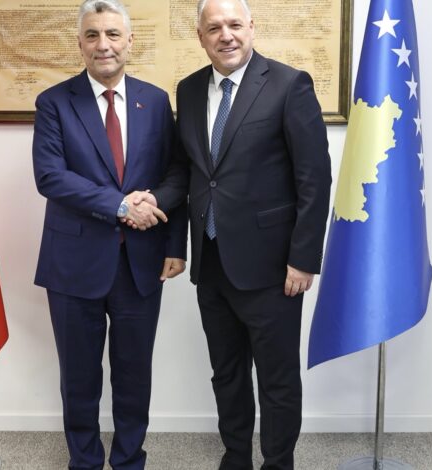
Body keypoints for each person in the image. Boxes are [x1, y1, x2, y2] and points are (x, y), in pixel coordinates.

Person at [133, 0, 332, 468]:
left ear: (252, 28)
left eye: (235, 25)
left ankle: (278, 462)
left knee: (277, 378)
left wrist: (303, 259)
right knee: (226, 372)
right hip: (212, 262)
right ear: (200, 36)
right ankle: (236, 456)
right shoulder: (189, 89)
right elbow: (186, 171)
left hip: (274, 267)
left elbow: (314, 179)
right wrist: (156, 208)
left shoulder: (289, 85)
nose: (226, 35)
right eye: (214, 27)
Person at [32, 1, 187, 468]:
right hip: (73, 264)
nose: (104, 45)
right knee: (79, 378)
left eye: (113, 34)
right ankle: (84, 461)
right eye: (93, 35)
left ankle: (128, 460)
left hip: (141, 263)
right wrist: (122, 206)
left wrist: (172, 240)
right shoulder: (54, 102)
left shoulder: (155, 101)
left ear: (129, 42)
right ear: (79, 44)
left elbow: (177, 173)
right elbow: (50, 177)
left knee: (134, 375)